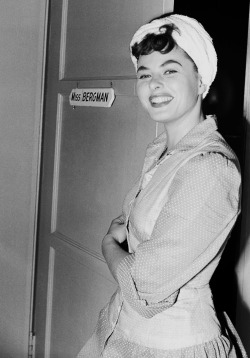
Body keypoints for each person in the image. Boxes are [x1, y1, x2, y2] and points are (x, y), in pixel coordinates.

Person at [77, 13, 247, 358]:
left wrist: (109, 244)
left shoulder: (210, 167)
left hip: (170, 346)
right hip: (122, 330)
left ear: (201, 80)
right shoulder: (163, 150)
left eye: (170, 70)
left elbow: (145, 290)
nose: (154, 84)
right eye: (145, 74)